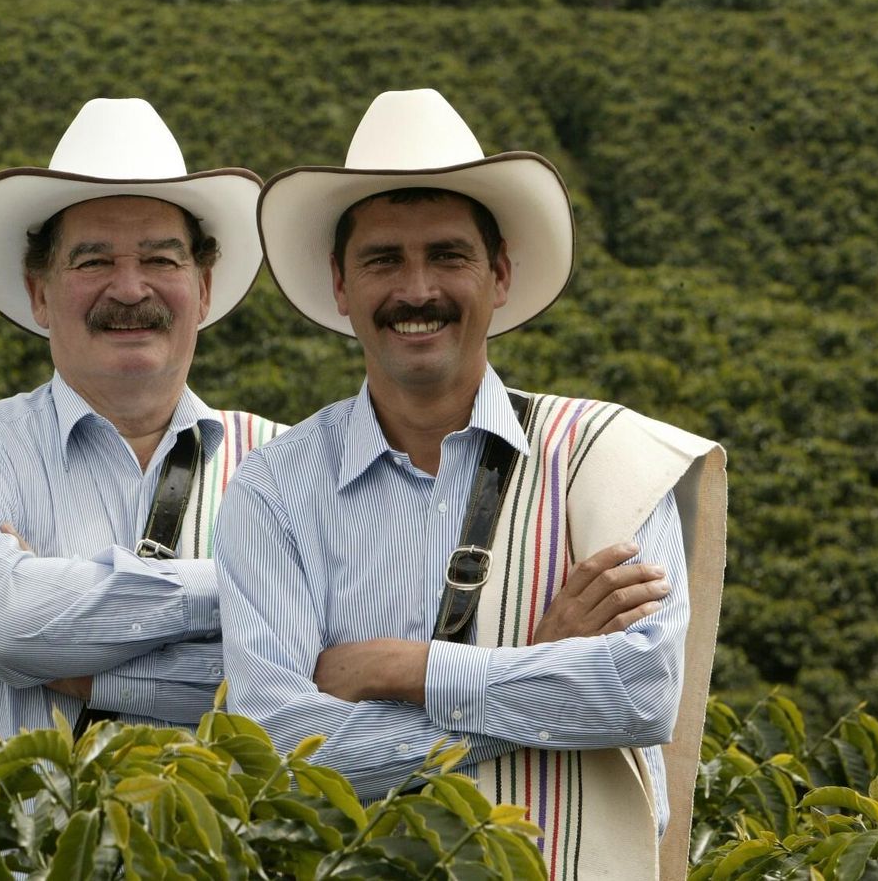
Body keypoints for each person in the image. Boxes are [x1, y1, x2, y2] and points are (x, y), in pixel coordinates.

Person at [215, 89, 727, 881]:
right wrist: (540, 674)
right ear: (342, 286)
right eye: (384, 259)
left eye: (448, 256)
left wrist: (407, 670)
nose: (417, 289)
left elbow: (642, 690)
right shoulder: (277, 490)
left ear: (499, 276)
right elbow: (282, 747)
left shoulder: (604, 460)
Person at [0, 98, 284, 780]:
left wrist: (81, 664)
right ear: (40, 294)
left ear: (204, 285)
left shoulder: (289, 466)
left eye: (161, 260)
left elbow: (323, 680)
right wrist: (255, 588)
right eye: (93, 260)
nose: (129, 289)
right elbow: (0, 624)